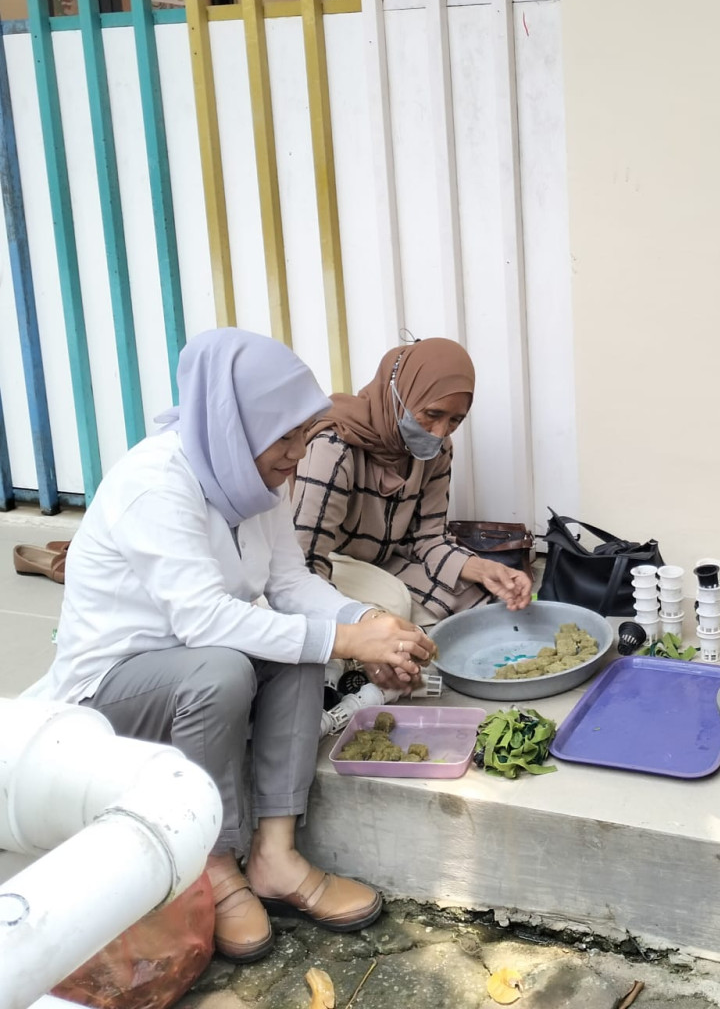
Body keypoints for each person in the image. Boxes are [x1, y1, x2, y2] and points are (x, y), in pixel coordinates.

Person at [24, 329, 435, 963]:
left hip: (199, 669)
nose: (299, 454)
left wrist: (372, 622)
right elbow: (204, 621)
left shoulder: (253, 480)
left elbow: (289, 583)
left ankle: (275, 854)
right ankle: (210, 865)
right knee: (228, 667)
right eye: (287, 436)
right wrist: (345, 638)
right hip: (112, 689)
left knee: (291, 652)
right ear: (234, 422)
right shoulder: (155, 484)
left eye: (304, 435)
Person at [293, 340, 532, 686]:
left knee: (482, 601)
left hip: (387, 561)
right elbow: (305, 563)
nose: (440, 432)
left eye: (455, 420)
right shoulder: (334, 446)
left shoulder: (436, 450)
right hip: (331, 564)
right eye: (432, 414)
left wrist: (486, 569)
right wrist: (359, 639)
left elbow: (429, 539)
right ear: (397, 394)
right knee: (393, 611)